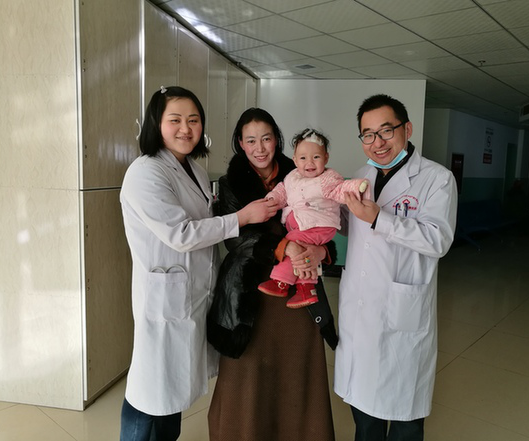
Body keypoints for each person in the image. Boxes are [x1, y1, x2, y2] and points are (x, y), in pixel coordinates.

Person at [119, 87, 277, 441]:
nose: (186, 129)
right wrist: (242, 217)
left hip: (191, 293)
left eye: (193, 120)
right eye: (175, 120)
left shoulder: (194, 169)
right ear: (156, 124)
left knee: (171, 389)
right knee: (148, 391)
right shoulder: (145, 172)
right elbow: (181, 234)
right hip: (164, 298)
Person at [207, 108, 337, 441]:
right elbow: (236, 239)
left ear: (277, 139)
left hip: (298, 293)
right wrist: (283, 247)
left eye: (266, 138)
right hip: (250, 292)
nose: (260, 148)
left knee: (296, 368)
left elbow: (326, 224)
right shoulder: (231, 183)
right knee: (248, 372)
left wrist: (323, 252)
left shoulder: (304, 171)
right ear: (240, 143)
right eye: (251, 140)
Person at [334, 94, 458, 441]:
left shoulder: (437, 179)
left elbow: (438, 240)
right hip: (361, 308)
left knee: (404, 417)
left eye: (386, 131)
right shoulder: (360, 176)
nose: (378, 143)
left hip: (402, 311)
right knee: (364, 414)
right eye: (368, 134)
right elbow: (353, 228)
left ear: (407, 129)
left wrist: (379, 218)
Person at [258, 128, 370, 308]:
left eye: (316, 157)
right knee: (304, 252)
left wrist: (357, 187)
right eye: (303, 158)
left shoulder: (327, 179)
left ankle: (280, 282)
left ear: (326, 158)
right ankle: (307, 290)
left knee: (292, 242)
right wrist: (273, 199)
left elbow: (341, 189)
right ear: (295, 160)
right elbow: (282, 191)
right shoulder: (292, 177)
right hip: (304, 225)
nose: (309, 162)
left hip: (319, 225)